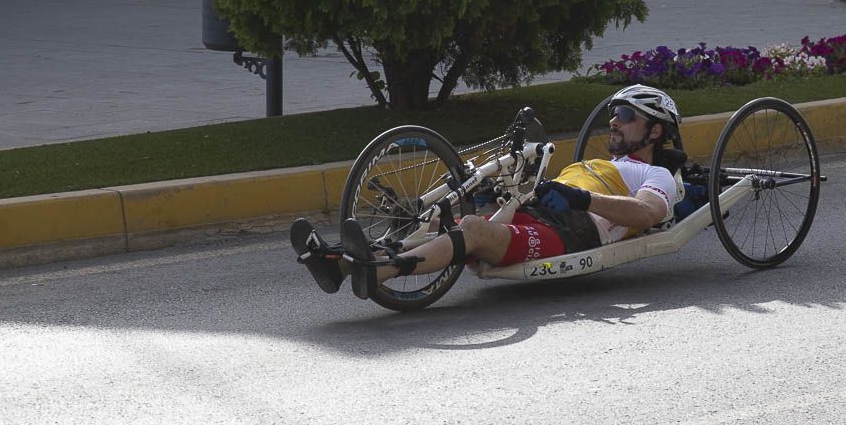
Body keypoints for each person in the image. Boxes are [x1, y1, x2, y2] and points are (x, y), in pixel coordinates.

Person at [291, 85, 682, 299]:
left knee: (473, 231)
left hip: (573, 232)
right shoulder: (595, 165)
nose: (614, 121)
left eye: (627, 116)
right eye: (614, 113)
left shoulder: (657, 173)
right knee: (446, 225)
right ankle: (338, 264)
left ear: (656, 130)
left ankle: (376, 273)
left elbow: (646, 214)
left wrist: (585, 199)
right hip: (542, 216)